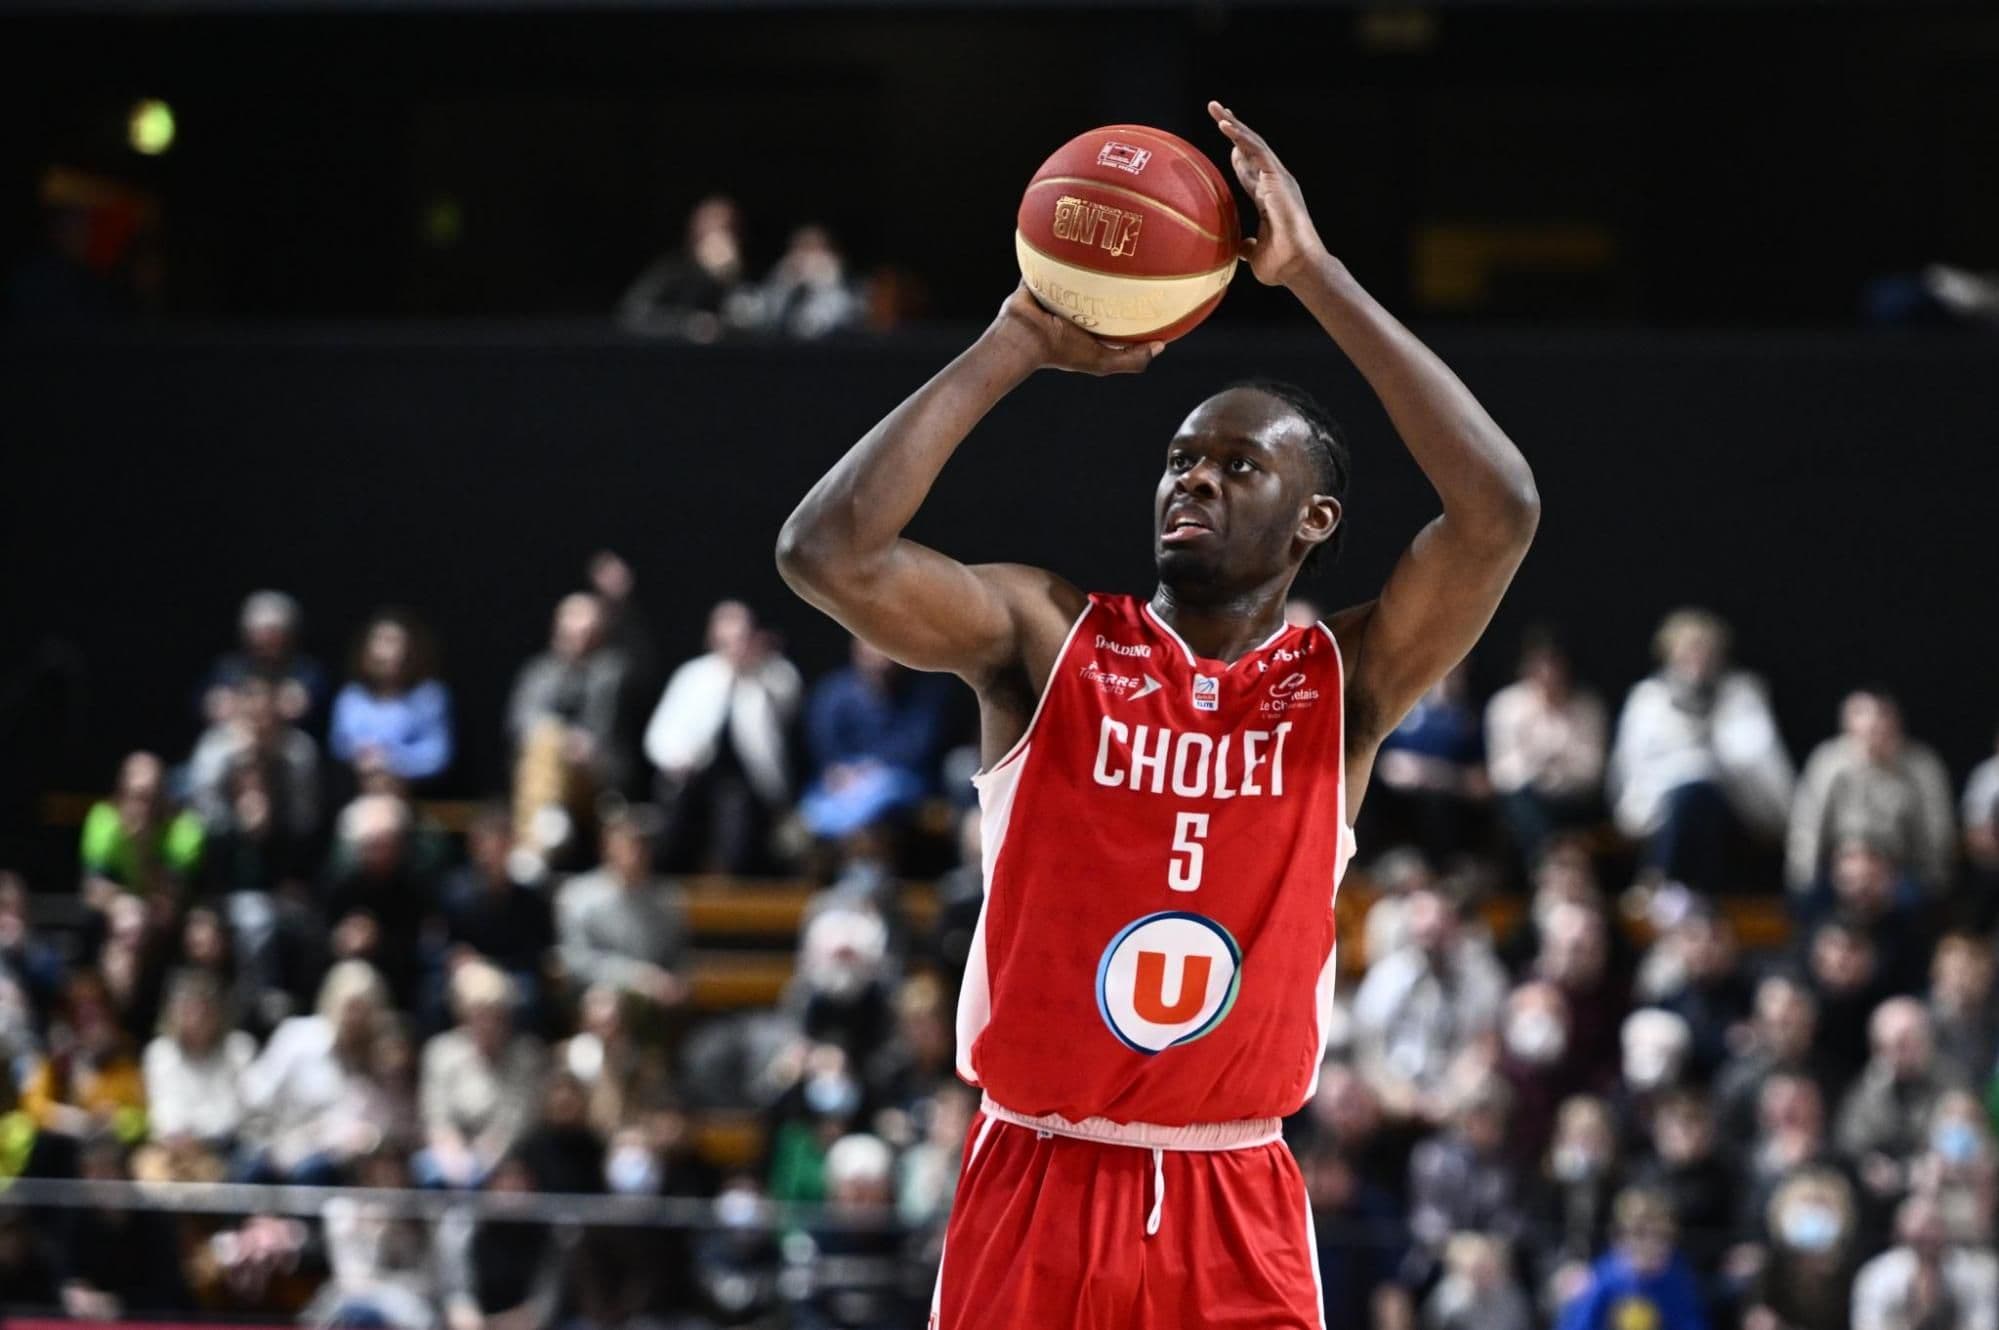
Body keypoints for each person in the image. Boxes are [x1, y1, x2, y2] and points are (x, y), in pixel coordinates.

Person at [778, 99, 1538, 1330]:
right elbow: (826, 554)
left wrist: (1316, 276)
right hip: (1035, 1173)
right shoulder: (1047, 634)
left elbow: (1498, 508)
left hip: (1230, 1187)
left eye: (1240, 465)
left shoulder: (1346, 681)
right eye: (1181, 456)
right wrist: (1014, 339)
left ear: (1314, 521)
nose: (1193, 475)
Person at [1607, 608, 1794, 892]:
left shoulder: (1742, 694)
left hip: (1737, 808)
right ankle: (1674, 888)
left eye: (1704, 652)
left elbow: (1760, 759)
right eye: (1688, 652)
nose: (1697, 662)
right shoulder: (1647, 700)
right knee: (1690, 795)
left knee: (1700, 790)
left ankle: (1664, 883)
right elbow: (1631, 767)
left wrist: (1711, 754)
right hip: (1663, 812)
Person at [644, 599, 802, 873]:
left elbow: (788, 700)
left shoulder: (774, 675)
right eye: (727, 640)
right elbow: (659, 734)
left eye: (742, 638)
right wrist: (676, 758)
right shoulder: (694, 675)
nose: (735, 647)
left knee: (735, 810)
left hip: (750, 785)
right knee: (677, 811)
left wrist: (756, 668)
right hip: (692, 779)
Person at [1789, 690, 1957, 899]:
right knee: (1808, 902)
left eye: (1882, 721)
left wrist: (1932, 879)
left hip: (1900, 871)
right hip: (1837, 868)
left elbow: (1936, 831)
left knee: (1917, 903)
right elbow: (1807, 825)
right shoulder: (1828, 762)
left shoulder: (1922, 765)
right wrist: (1803, 878)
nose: (1875, 729)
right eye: (1866, 725)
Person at [507, 592, 636, 862]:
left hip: (597, 772)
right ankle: (548, 820)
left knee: (550, 744)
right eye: (572, 633)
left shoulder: (612, 672)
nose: (579, 641)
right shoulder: (539, 672)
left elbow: (606, 727)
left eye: (587, 634)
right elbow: (520, 722)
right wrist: (560, 741)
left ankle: (538, 839)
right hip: (548, 761)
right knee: (547, 741)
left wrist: (579, 744)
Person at [1485, 627, 1607, 869]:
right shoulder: (1506, 705)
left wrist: (1548, 765)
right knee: (1522, 805)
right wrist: (1549, 761)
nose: (1548, 674)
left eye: (1554, 665)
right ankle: (1549, 868)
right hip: (1527, 800)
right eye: (1539, 665)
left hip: (1575, 800)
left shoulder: (1588, 707)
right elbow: (1504, 773)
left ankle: (1556, 868)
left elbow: (1591, 770)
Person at [554, 808, 689, 1010]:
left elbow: (679, 956)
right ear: (607, 847)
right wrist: (635, 978)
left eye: (642, 844)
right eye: (628, 844)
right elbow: (576, 961)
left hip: (657, 1001)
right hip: (595, 998)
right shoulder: (578, 896)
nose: (636, 853)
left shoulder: (667, 899)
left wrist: (675, 983)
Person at [329, 609, 455, 788]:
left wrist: (392, 760)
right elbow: (339, 746)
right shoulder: (351, 696)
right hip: (358, 789)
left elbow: (437, 755)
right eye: (382, 641)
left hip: (415, 792)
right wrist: (363, 755)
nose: (390, 652)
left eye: (396, 642)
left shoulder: (429, 696)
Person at [1555, 1188, 1708, 1330]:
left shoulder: (1679, 1281)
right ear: (1618, 1235)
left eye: (1660, 1235)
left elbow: (1692, 1323)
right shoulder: (1598, 1283)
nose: (1649, 1243)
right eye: (1639, 1233)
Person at [618, 194, 760, 341]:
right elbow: (633, 313)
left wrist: (730, 279)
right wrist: (688, 324)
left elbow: (752, 319)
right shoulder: (673, 270)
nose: (723, 237)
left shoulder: (743, 275)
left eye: (730, 229)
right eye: (715, 229)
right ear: (697, 232)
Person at [1851, 1193, 1999, 1330]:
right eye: (1920, 1238)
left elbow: (1983, 1323)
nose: (1929, 1238)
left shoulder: (1977, 1275)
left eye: (1934, 1227)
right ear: (1901, 1235)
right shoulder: (1877, 1276)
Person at [198, 589, 328, 729]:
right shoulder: (227, 668)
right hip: (232, 738)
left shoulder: (308, 672)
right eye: (258, 631)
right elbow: (203, 702)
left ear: (290, 634)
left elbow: (309, 707)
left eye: (273, 632)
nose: (265, 639)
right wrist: (212, 703)